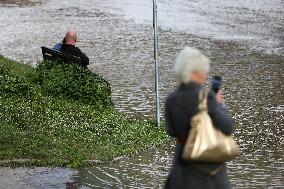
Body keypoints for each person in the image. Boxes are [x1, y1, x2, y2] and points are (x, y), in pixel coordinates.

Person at [164, 47, 235, 189]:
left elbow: (171, 131)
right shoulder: (206, 97)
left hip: (182, 171)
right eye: (202, 70)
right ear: (194, 72)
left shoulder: (171, 100)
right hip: (210, 173)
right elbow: (228, 127)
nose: (204, 74)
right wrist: (220, 105)